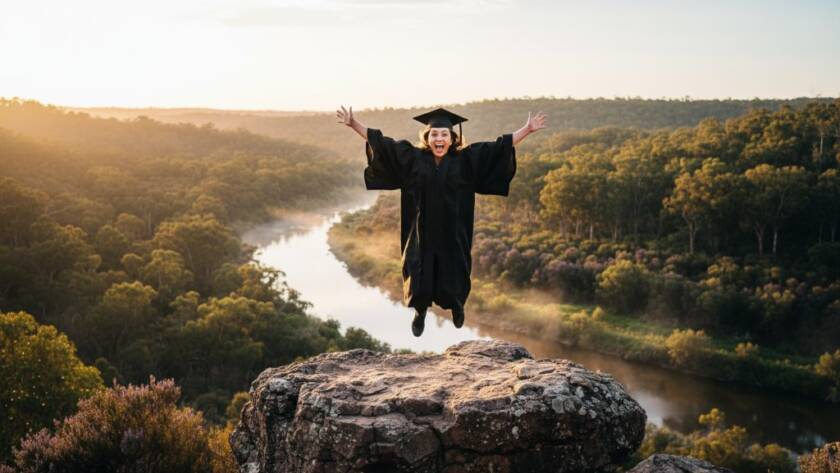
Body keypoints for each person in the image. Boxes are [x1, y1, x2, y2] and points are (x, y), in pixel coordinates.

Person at [337, 105, 546, 336]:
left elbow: (497, 149)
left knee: (455, 271)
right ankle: (420, 311)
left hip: (453, 232)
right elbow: (384, 145)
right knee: (418, 271)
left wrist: (527, 130)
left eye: (444, 134)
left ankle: (457, 306)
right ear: (427, 138)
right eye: (434, 134)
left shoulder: (466, 160)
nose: (439, 138)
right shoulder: (413, 159)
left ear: (453, 138)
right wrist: (354, 124)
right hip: (421, 232)